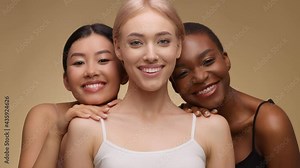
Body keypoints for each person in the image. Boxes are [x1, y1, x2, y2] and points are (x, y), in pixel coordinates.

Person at [63, 0, 234, 167]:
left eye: (163, 41)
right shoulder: (85, 129)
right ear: (118, 47)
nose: (151, 56)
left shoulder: (213, 129)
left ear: (179, 45)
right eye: (136, 43)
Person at [170, 22, 300, 168]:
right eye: (183, 73)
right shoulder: (177, 125)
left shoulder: (270, 122)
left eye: (208, 61)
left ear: (225, 60)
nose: (200, 77)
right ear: (174, 84)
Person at [18, 23, 127, 168]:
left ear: (124, 73)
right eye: (79, 62)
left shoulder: (135, 117)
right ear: (66, 81)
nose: (91, 71)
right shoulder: (46, 116)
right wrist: (56, 133)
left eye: (103, 60)